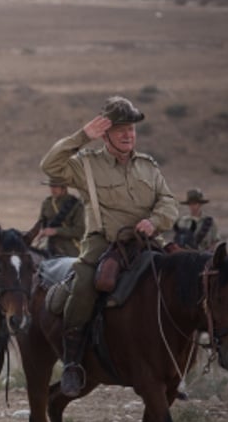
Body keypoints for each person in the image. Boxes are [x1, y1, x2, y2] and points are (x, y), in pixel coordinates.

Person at [41, 95, 178, 397]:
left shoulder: (148, 166)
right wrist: (81, 137)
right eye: (120, 130)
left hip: (148, 242)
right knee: (86, 284)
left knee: (182, 279)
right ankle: (74, 363)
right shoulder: (86, 165)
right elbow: (49, 164)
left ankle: (171, 365)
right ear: (105, 134)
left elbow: (168, 202)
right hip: (104, 243)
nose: (128, 135)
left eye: (131, 129)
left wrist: (155, 221)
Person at [33, 178, 85, 257]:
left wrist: (56, 231)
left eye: (55, 186)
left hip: (69, 249)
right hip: (47, 246)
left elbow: (79, 231)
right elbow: (41, 224)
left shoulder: (75, 205)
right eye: (51, 186)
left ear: (64, 188)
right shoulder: (47, 203)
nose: (52, 189)